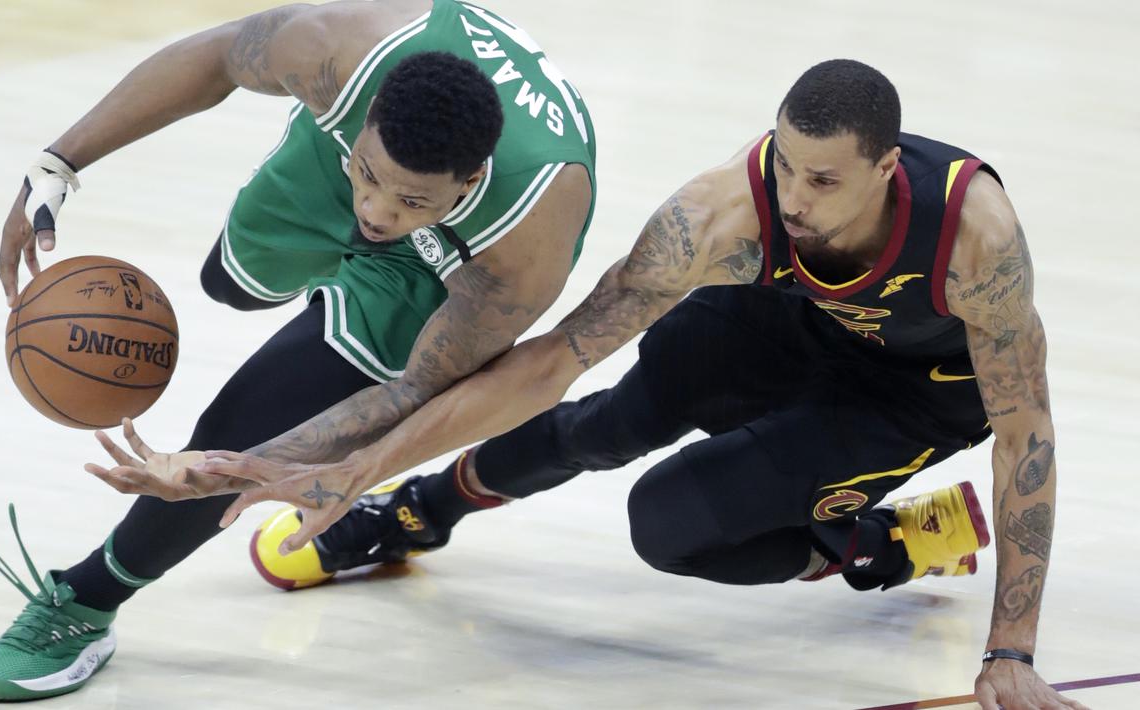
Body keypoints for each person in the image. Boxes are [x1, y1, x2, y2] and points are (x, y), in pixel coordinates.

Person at [134, 60, 1080, 709]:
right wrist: (355, 464)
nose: (793, 198)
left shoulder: (975, 241)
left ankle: (881, 542)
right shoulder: (722, 216)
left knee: (669, 523)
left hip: (915, 389)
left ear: (884, 165)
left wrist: (1009, 650)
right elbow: (550, 360)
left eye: (825, 181)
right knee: (611, 415)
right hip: (792, 318)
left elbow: (1026, 431)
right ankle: (418, 509)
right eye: (785, 164)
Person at [0, 0, 595, 701]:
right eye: (371, 177)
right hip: (341, 164)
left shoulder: (523, 247)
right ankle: (360, 215)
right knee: (229, 284)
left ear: (471, 182)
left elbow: (408, 396)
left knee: (248, 419)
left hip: (439, 267)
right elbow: (216, 57)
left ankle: (86, 600)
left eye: (411, 201)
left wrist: (240, 467)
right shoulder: (335, 52)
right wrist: (56, 166)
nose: (379, 212)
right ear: (362, 121)